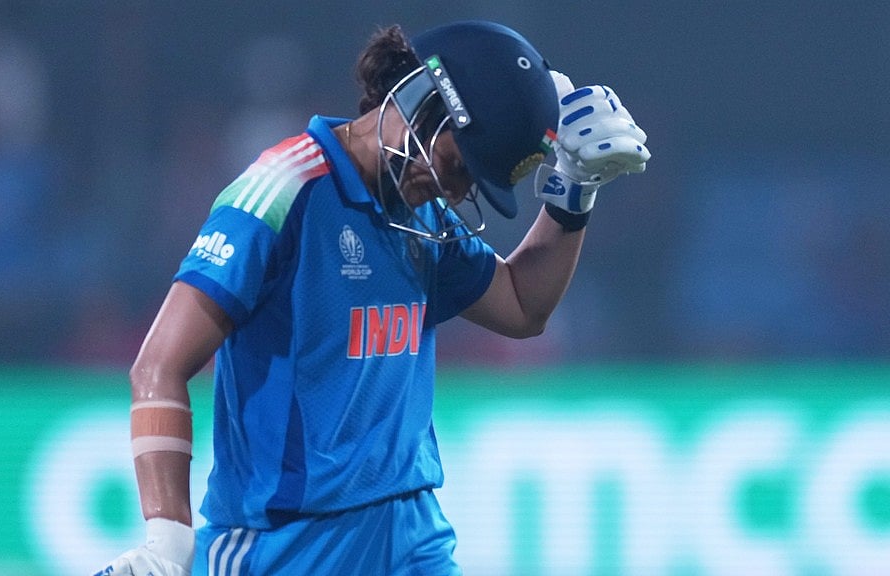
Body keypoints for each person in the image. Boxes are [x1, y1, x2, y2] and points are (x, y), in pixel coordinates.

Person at [95, 20, 649, 576]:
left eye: (470, 184)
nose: (454, 192)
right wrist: (169, 539)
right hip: (285, 546)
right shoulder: (283, 192)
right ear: (421, 100)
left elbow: (523, 305)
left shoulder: (421, 214)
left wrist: (573, 195)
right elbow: (158, 367)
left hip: (411, 537)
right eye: (459, 166)